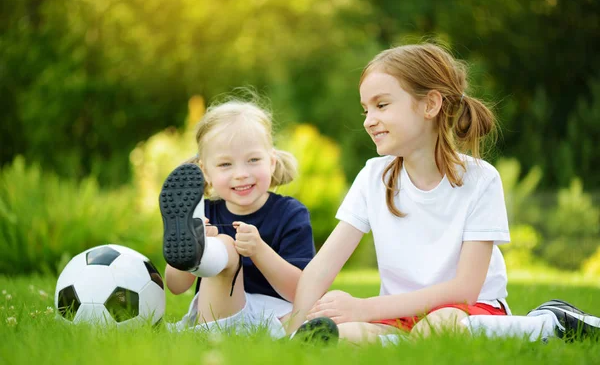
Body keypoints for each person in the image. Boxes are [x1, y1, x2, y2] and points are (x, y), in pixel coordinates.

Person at [286, 43, 600, 344]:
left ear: (430, 105)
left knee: (434, 329)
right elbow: (322, 267)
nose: (369, 120)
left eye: (381, 105)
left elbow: (464, 289)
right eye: (365, 109)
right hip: (396, 314)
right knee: (336, 337)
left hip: (466, 310)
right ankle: (400, 345)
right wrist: (296, 326)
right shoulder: (373, 177)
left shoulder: (480, 180)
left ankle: (548, 323)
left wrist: (365, 308)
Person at [160, 97, 315, 338]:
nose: (241, 174)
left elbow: (301, 291)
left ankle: (302, 335)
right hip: (218, 311)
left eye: (253, 160)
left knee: (314, 315)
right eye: (225, 164)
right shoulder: (204, 214)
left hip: (275, 313)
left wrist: (259, 250)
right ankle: (212, 255)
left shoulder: (291, 214)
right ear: (206, 173)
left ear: (271, 162)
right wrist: (198, 248)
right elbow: (176, 286)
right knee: (224, 248)